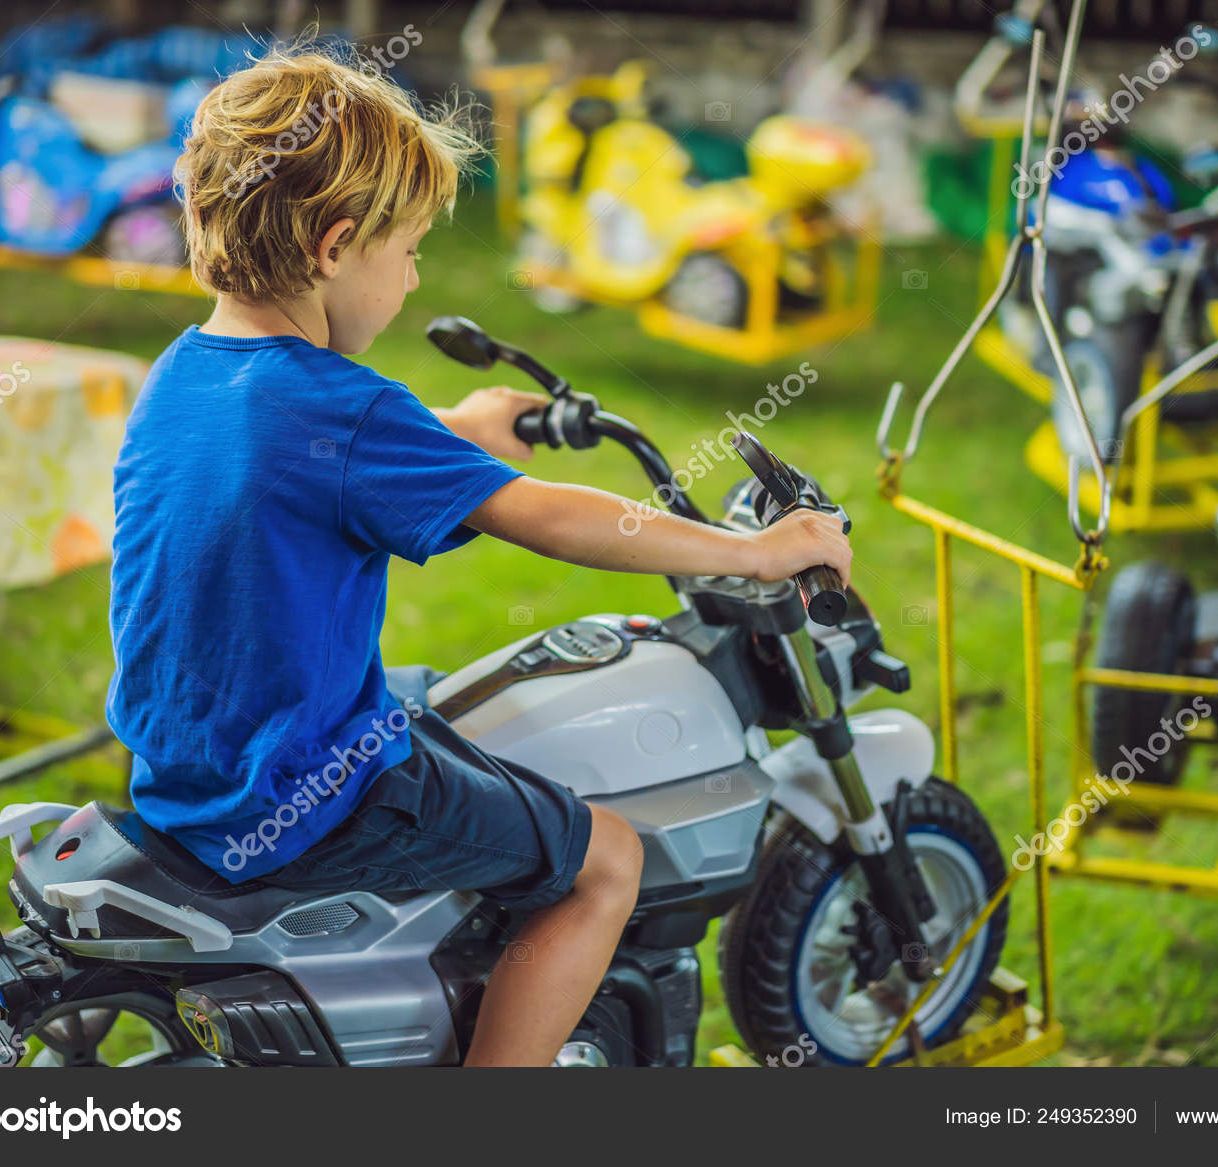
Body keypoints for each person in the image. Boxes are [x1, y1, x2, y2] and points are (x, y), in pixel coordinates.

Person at [106, 42, 851, 1067]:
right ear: (332, 246)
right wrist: (755, 550)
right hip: (301, 791)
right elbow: (547, 516)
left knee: (457, 704)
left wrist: (448, 430)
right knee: (604, 861)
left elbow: (299, 470)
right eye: (406, 250)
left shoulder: (185, 375)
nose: (414, 278)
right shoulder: (345, 408)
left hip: (191, 765)